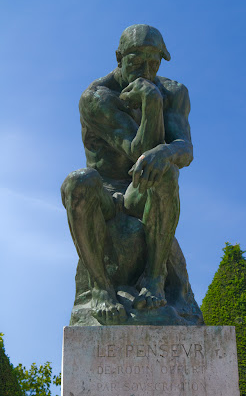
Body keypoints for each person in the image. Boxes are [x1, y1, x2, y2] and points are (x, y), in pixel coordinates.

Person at [61, 24, 193, 324]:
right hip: (105, 193)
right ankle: (100, 289)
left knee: (165, 173)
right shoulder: (96, 97)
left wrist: (166, 151)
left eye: (154, 61)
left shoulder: (174, 91)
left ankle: (155, 279)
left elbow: (184, 148)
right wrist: (151, 102)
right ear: (119, 57)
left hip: (139, 191)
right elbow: (137, 151)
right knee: (77, 182)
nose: (146, 69)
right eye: (137, 60)